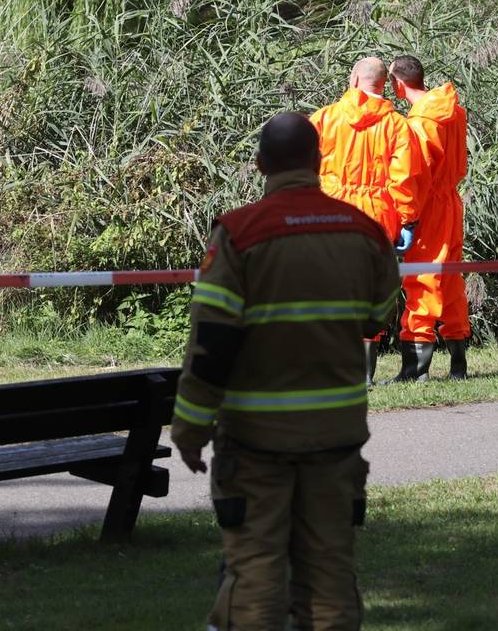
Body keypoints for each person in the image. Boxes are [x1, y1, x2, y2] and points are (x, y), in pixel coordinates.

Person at [171, 112, 402, 631]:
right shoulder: (362, 231)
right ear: (319, 162)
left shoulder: (238, 234)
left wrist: (189, 429)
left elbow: (211, 346)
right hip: (336, 439)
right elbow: (379, 312)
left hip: (255, 443)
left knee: (254, 575)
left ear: (259, 166)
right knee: (330, 578)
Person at [312, 56, 423, 384]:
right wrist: (408, 221)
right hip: (377, 218)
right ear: (383, 84)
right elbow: (404, 179)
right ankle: (364, 373)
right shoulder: (397, 126)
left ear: (354, 80)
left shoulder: (325, 118)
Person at [387, 55, 471, 380]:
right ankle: (458, 367)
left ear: (398, 84)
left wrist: (407, 219)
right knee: (450, 282)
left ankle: (414, 371)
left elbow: (413, 175)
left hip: (430, 209)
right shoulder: (452, 112)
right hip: (451, 202)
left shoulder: (419, 122)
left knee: (422, 280)